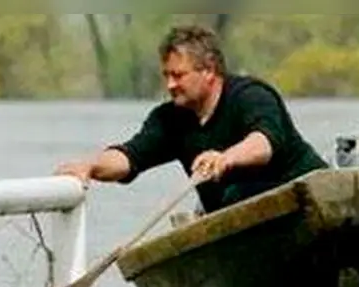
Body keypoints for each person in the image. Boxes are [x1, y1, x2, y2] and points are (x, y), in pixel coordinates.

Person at [55, 24, 330, 215]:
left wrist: (225, 158)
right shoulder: (170, 119)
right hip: (241, 222)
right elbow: (129, 157)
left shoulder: (251, 96)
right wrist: (91, 166)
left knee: (237, 194)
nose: (170, 85)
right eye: (166, 75)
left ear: (208, 70)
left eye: (178, 75)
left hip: (312, 202)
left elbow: (263, 143)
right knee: (232, 198)